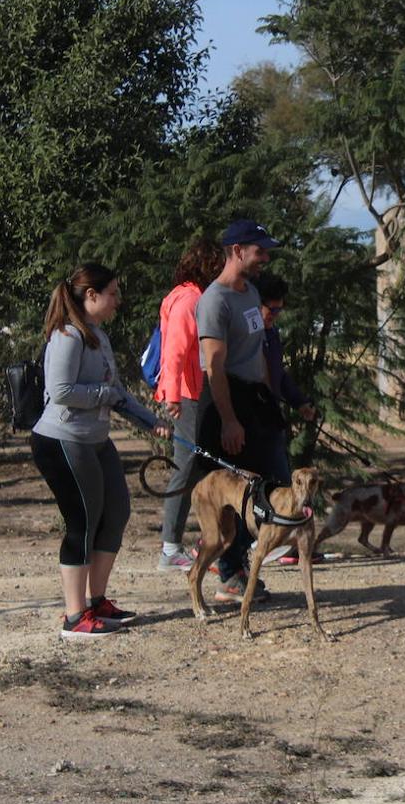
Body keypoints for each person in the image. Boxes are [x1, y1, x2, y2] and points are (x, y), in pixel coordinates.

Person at [30, 262, 171, 639]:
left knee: (117, 512)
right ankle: (74, 617)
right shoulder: (67, 335)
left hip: (95, 439)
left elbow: (118, 390)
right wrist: (103, 396)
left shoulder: (98, 335)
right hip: (62, 440)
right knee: (84, 521)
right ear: (91, 296)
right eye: (112, 294)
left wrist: (150, 421)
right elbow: (60, 391)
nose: (117, 301)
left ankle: (98, 601)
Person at [192, 218, 289, 602]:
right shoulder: (214, 301)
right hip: (225, 401)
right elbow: (214, 366)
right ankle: (229, 574)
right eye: (259, 250)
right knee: (236, 491)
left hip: (255, 399)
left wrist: (268, 396)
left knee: (273, 481)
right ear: (236, 251)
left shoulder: (250, 293)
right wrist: (229, 420)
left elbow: (257, 350)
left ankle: (238, 562)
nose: (265, 257)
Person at [154, 237, 223, 571]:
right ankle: (170, 547)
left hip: (196, 392)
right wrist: (171, 395)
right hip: (188, 394)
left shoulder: (192, 296)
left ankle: (201, 541)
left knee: (199, 468)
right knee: (185, 468)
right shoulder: (189, 299)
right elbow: (175, 351)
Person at [252, 273, 321, 567]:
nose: (276, 316)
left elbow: (279, 376)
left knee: (282, 478)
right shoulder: (245, 337)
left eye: (280, 310)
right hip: (249, 419)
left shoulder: (272, 335)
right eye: (272, 310)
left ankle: (291, 541)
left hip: (272, 418)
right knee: (260, 485)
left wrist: (300, 402)